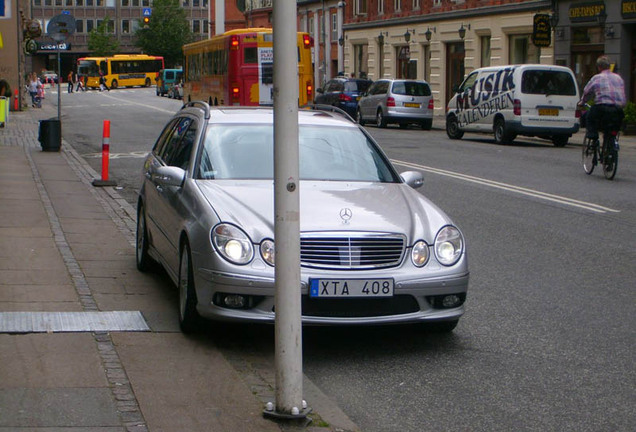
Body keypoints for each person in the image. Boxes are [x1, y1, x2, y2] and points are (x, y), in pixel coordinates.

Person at [579, 55, 626, 141]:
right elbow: (622, 96)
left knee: (589, 117)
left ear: (599, 67)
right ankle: (613, 144)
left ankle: (593, 135)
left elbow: (587, 92)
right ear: (609, 66)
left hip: (601, 108)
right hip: (617, 110)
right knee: (614, 127)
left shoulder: (597, 78)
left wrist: (582, 102)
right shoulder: (618, 78)